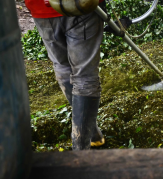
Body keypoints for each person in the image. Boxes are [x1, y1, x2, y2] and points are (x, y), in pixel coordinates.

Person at [25, 0, 105, 150]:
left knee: (62, 67)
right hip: (83, 6)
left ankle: (91, 134)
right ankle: (81, 150)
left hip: (42, 8)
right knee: (85, 75)